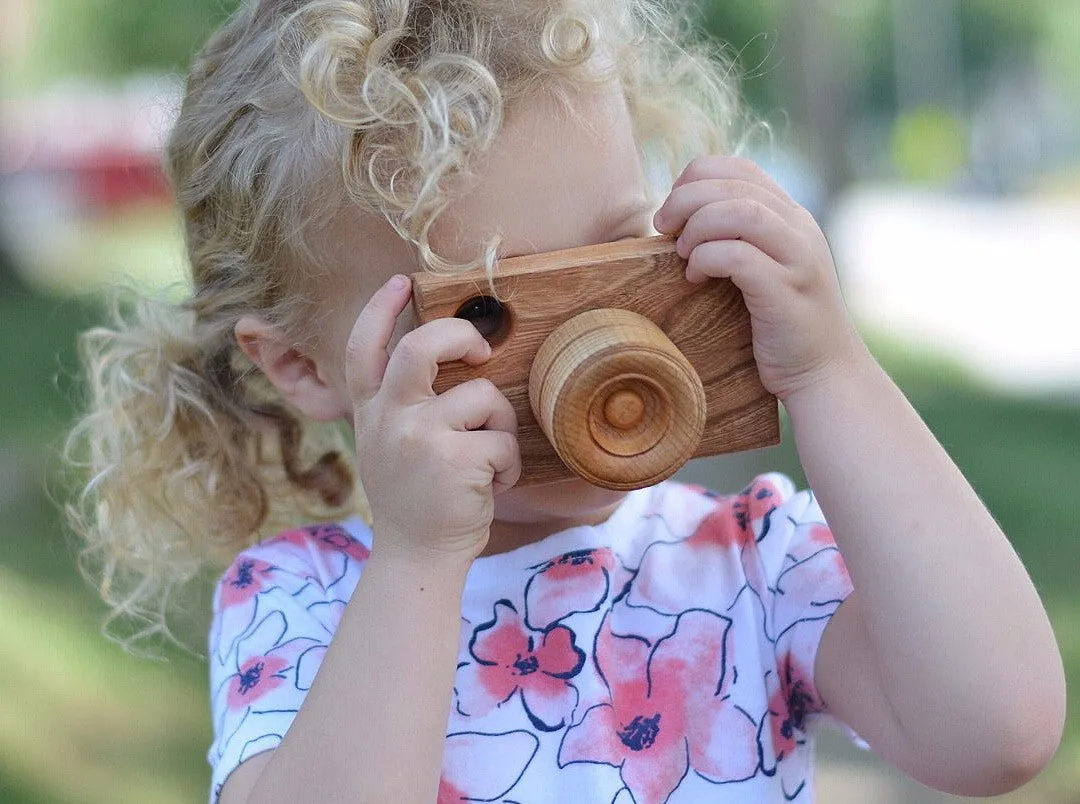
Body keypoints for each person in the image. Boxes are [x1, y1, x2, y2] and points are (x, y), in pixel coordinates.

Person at [65, 1, 1065, 802]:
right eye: (493, 311)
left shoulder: (748, 563)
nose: (589, 351)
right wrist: (419, 554)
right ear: (303, 366)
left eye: (620, 256)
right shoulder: (302, 604)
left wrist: (832, 371)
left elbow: (999, 731)